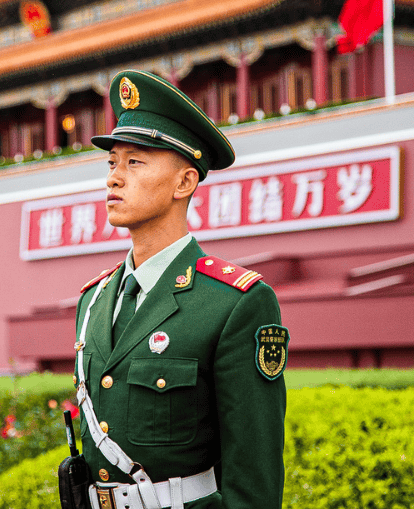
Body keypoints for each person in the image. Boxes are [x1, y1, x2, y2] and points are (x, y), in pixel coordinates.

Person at [73, 70, 287, 509]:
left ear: (184, 183)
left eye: (135, 162)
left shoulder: (234, 303)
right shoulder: (93, 301)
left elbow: (254, 479)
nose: (114, 178)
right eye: (112, 162)